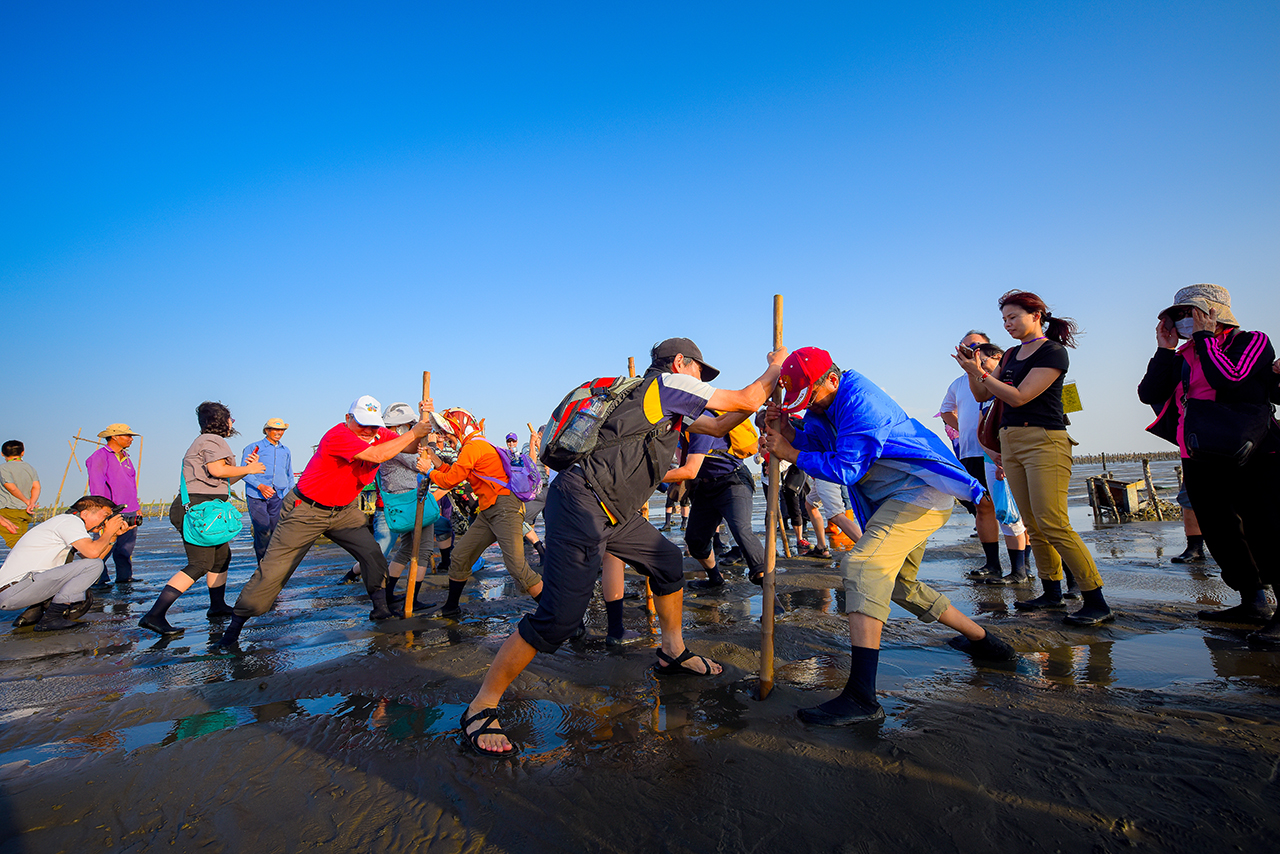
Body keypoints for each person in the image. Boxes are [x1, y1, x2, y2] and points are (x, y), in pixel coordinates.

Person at [460, 338, 787, 755]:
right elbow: (745, 396)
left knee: (668, 562)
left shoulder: (667, 406)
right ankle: (481, 705)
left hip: (615, 511)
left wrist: (767, 411)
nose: (702, 381)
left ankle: (672, 651)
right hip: (582, 503)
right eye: (699, 372)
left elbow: (723, 424)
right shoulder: (665, 385)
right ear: (679, 363)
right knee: (559, 618)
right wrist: (777, 366)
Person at [763, 346, 1016, 726]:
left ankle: (862, 697)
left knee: (863, 568)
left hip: (920, 492)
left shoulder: (862, 401)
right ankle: (985, 642)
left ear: (832, 379)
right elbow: (816, 443)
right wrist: (787, 432)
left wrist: (791, 453)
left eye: (810, 398)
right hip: (888, 501)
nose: (808, 408)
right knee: (900, 584)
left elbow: (846, 468)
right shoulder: (821, 404)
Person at [217, 396, 433, 648]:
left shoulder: (379, 434)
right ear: (348, 419)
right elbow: (376, 456)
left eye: (373, 425)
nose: (369, 430)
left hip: (344, 510)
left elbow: (407, 448)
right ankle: (233, 630)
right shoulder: (337, 435)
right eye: (362, 423)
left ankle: (380, 609)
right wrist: (415, 431)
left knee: (372, 555)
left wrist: (421, 424)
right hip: (306, 510)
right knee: (274, 571)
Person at [954, 290, 1111, 625]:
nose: (1008, 324)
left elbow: (1021, 396)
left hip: (1044, 440)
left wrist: (981, 374)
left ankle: (1095, 599)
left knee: (1053, 521)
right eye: (1004, 320)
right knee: (1033, 525)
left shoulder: (1053, 352)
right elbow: (984, 394)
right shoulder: (1010, 355)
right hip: (1010, 441)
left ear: (1036, 315)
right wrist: (973, 370)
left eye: (1013, 317)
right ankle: (1051, 593)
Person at [1137, 284, 1280, 646]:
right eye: (1180, 315)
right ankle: (1253, 601)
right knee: (1220, 531)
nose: (1186, 320)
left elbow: (1229, 377)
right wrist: (1164, 349)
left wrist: (1203, 339)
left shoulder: (1252, 341)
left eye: (1192, 313)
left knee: (1266, 529)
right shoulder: (1183, 354)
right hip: (1199, 455)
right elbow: (1149, 394)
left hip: (1253, 453)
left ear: (1213, 312)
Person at [139, 402, 266, 636]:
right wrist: (252, 469)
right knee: (200, 564)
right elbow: (218, 471)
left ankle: (217, 606)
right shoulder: (210, 440)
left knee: (221, 559)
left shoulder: (210, 441)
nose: (232, 423)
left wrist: (244, 469)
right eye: (230, 418)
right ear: (220, 420)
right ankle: (154, 615)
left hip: (209, 507)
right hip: (198, 510)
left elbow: (222, 482)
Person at [419, 408, 543, 616]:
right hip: (488, 509)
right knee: (460, 556)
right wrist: (435, 461)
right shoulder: (475, 445)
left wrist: (429, 471)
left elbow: (450, 481)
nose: (446, 436)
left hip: (504, 508)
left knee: (517, 569)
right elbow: (456, 472)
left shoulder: (473, 446)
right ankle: (451, 608)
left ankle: (558, 614)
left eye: (447, 431)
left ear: (458, 428)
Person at [939, 330, 1028, 579]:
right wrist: (973, 431)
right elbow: (946, 411)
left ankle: (1024, 565)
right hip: (972, 451)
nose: (970, 351)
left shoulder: (1004, 376)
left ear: (991, 350)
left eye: (976, 346)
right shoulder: (959, 383)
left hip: (1003, 451)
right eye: (964, 347)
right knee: (985, 506)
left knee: (1016, 508)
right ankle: (993, 564)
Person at [665, 411, 766, 589]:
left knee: (741, 530)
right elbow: (682, 460)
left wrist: (648, 478)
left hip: (733, 481)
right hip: (706, 485)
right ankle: (715, 579)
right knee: (695, 540)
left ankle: (771, 594)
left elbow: (690, 470)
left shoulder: (701, 421)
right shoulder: (678, 428)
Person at [0, 496, 132, 631]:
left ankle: (32, 615)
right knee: (85, 586)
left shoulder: (66, 523)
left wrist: (113, 536)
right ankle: (51, 619)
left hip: (17, 589)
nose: (107, 521)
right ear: (85, 513)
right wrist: (109, 531)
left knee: (90, 570)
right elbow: (93, 556)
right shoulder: (70, 522)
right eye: (105, 515)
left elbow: (96, 557)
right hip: (16, 589)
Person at [969, 343, 1031, 584]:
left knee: (1024, 517)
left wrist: (1005, 456)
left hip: (1013, 456)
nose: (983, 371)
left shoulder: (1013, 387)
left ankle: (1023, 570)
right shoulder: (987, 397)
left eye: (984, 364)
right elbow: (981, 429)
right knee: (1007, 513)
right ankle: (1020, 569)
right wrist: (992, 452)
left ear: (998, 358)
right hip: (992, 458)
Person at [378, 402, 438, 613]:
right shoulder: (396, 442)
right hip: (412, 499)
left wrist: (427, 412)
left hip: (402, 500)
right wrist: (430, 448)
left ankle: (388, 594)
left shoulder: (388, 441)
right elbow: (419, 463)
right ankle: (411, 599)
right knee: (423, 550)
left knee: (405, 549)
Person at [85, 424, 142, 584]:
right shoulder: (99, 456)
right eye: (127, 436)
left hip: (130, 508)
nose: (131, 439)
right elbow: (96, 485)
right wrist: (102, 511)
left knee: (126, 547)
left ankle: (125, 578)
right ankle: (98, 579)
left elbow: (131, 484)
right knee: (104, 545)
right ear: (115, 436)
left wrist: (137, 507)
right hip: (110, 510)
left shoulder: (126, 457)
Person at [241, 418, 294, 565]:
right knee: (262, 530)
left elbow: (289, 474)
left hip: (278, 495)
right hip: (257, 495)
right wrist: (261, 486)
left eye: (281, 430)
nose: (278, 432)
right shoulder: (254, 448)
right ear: (266, 430)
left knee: (276, 530)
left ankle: (274, 563)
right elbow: (243, 472)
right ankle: (262, 564)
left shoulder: (286, 450)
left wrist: (290, 494)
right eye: (275, 429)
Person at [1, 440, 40, 549]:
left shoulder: (3, 468)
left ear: (2, 454)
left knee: (14, 542)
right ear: (22, 453)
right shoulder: (30, 468)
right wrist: (31, 502)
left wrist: (26, 500)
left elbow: (11, 487)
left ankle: (29, 563)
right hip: (25, 511)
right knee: (22, 541)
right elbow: (36, 487)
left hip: (8, 510)